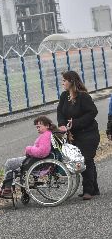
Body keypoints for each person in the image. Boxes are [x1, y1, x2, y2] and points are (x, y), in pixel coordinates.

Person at [57, 70, 100, 200]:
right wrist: (62, 124)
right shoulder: (64, 96)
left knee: (86, 160)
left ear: (71, 81)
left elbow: (93, 112)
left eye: (64, 80)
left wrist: (75, 123)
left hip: (88, 134)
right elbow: (60, 112)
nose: (62, 83)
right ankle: (94, 188)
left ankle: (88, 190)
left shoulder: (83, 96)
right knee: (79, 161)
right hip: (74, 135)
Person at [0, 116, 55, 197]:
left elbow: (42, 152)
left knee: (9, 163)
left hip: (35, 161)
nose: (37, 128)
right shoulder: (47, 134)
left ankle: (7, 188)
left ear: (47, 126)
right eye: (36, 127)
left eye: (39, 127)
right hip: (35, 159)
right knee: (11, 164)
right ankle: (5, 186)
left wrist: (29, 149)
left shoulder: (46, 136)